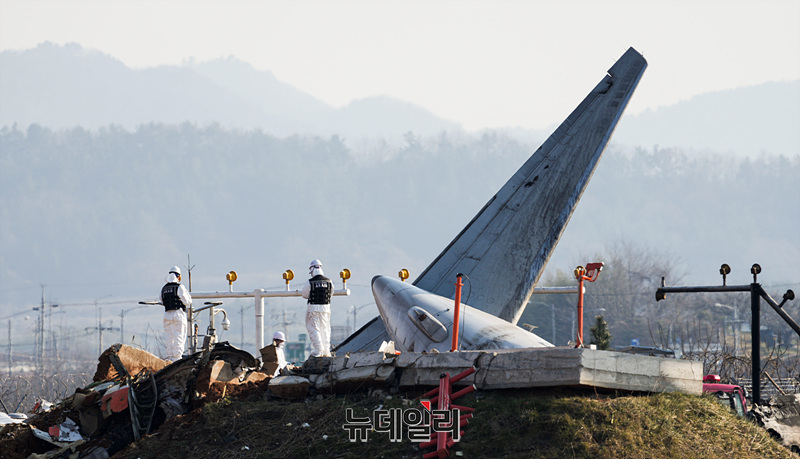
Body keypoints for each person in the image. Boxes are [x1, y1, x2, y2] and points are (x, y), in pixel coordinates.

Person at [301, 259, 334, 357]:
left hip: (314, 308)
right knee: (325, 328)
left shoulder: (310, 282)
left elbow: (305, 294)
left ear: (312, 269)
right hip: (326, 308)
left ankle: (319, 350)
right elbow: (331, 293)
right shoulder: (329, 281)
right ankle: (326, 350)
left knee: (314, 328)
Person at [161, 265, 192, 361]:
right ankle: (177, 358)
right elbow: (187, 301)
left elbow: (161, 300)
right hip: (178, 313)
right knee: (179, 335)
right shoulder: (179, 287)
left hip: (167, 314)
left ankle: (170, 357)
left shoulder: (164, 289)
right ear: (178, 276)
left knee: (169, 336)